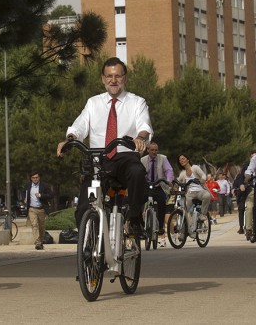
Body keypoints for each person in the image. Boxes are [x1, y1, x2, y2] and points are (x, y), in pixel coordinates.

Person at [57, 57, 153, 236]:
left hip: (125, 157)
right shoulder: (93, 103)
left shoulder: (137, 102)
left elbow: (144, 126)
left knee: (138, 172)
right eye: (109, 76)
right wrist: (70, 139)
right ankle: (89, 249)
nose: (113, 80)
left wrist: (140, 138)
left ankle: (134, 218)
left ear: (124, 78)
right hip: (99, 162)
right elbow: (80, 126)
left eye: (117, 76)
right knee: (84, 208)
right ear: (103, 78)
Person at [140, 141, 174, 235]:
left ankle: (160, 227)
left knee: (162, 202)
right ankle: (140, 224)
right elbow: (139, 173)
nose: (154, 152)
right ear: (148, 150)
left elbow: (168, 170)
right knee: (138, 202)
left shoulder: (163, 158)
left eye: (156, 150)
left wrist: (169, 180)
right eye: (152, 150)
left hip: (159, 186)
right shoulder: (142, 160)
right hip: (146, 186)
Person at [176, 154, 211, 237]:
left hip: (200, 191)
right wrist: (174, 186)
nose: (182, 161)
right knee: (183, 211)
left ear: (188, 160)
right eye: (180, 160)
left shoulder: (195, 167)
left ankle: (203, 214)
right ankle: (185, 232)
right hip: (190, 194)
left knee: (207, 195)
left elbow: (203, 175)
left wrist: (202, 179)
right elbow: (178, 181)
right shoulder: (183, 173)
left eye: (183, 159)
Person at [23, 171, 54, 250]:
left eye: (36, 177)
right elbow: (24, 193)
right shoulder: (28, 186)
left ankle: (40, 241)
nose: (35, 179)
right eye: (33, 178)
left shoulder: (45, 186)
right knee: (34, 225)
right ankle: (37, 242)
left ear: (39, 178)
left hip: (41, 209)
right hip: (32, 209)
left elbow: (51, 195)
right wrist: (24, 199)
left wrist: (41, 195)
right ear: (31, 178)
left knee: (41, 227)